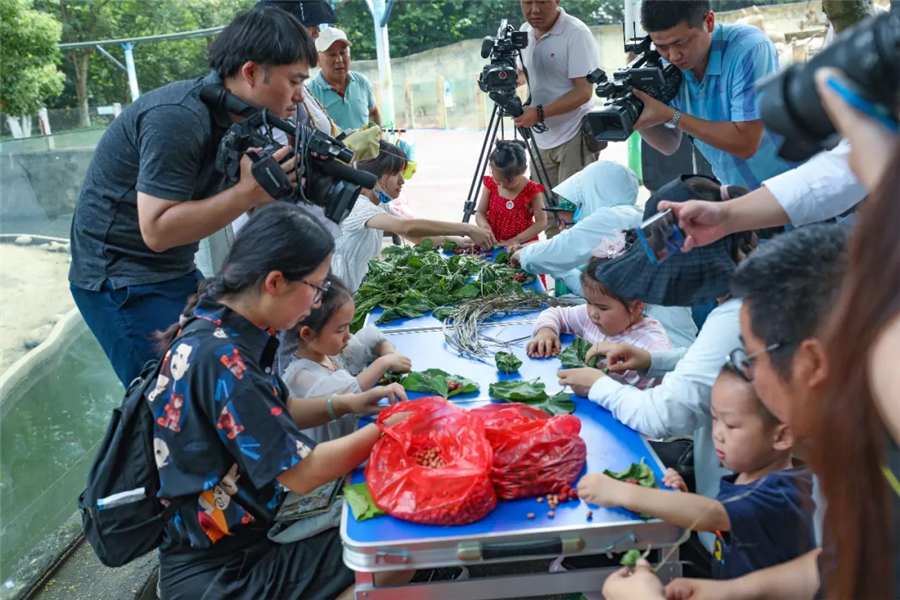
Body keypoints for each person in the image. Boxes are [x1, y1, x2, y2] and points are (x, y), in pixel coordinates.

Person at [151, 202, 413, 599]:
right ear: (274, 282)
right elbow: (302, 472)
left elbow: (273, 413)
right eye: (315, 287)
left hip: (239, 530)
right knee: (395, 552)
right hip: (224, 564)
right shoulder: (226, 361)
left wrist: (344, 405)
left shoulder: (221, 325)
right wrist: (383, 430)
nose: (314, 303)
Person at [68, 7, 317, 388]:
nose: (300, 97)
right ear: (250, 72)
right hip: (121, 278)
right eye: (294, 81)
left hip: (175, 268)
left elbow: (257, 206)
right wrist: (247, 192)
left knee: (224, 375)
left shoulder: (245, 120)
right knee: (172, 397)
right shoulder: (178, 117)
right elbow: (156, 230)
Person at [557, 174, 757, 557]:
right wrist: (653, 361)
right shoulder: (750, 295)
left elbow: (663, 415)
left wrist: (598, 385)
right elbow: (718, 359)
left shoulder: (735, 316)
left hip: (740, 497)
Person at [580, 365, 814, 579]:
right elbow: (726, 523)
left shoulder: (783, 493)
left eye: (731, 425)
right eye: (714, 419)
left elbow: (714, 515)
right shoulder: (748, 476)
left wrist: (620, 492)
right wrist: (683, 501)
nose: (717, 434)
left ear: (782, 436)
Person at [508, 161, 699, 351]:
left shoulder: (614, 218)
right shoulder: (637, 217)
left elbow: (550, 254)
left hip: (659, 346)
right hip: (662, 338)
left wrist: (522, 254)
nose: (580, 208)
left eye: (582, 201)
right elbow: (602, 293)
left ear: (595, 191)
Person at [634, 0, 796, 190]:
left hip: (794, 189)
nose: (673, 55)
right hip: (739, 194)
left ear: (709, 21)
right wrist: (638, 114)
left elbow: (746, 144)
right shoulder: (664, 65)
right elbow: (669, 144)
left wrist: (671, 115)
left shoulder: (748, 48)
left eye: (680, 42)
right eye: (662, 46)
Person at [331, 141, 495, 292]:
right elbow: (405, 227)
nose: (402, 181)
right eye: (396, 173)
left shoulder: (380, 204)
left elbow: (413, 235)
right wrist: (466, 228)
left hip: (359, 288)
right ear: (374, 176)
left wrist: (458, 242)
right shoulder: (358, 205)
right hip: (341, 291)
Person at [280, 274, 412, 444]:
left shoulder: (328, 354)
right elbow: (351, 394)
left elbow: (369, 337)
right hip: (332, 462)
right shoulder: (302, 378)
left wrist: (387, 351)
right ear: (307, 334)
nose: (348, 335)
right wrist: (383, 363)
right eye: (340, 330)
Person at [514, 0, 602, 237]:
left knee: (571, 212)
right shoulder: (524, 33)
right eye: (527, 2)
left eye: (542, 2)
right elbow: (523, 74)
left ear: (557, 1)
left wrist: (540, 112)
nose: (534, 10)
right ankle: (559, 272)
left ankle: (582, 272)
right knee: (548, 214)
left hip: (574, 134)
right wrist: (504, 78)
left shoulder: (576, 33)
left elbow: (584, 91)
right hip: (541, 138)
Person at [528, 252, 673, 390]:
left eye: (602, 308)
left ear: (637, 305)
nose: (592, 313)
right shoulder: (590, 318)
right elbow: (556, 314)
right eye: (589, 302)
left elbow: (656, 395)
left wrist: (600, 385)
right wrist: (546, 331)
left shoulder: (653, 346)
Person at [475, 140, 548, 247]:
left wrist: (515, 240)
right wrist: (485, 228)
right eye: (498, 181)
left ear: (523, 170)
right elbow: (480, 213)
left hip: (520, 245)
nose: (503, 186)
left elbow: (541, 222)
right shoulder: (490, 184)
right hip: (493, 243)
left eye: (509, 181)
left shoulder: (531, 190)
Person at [309, 28, 380, 133]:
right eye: (332, 54)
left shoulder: (361, 82)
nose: (339, 59)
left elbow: (373, 112)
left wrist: (379, 141)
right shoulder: (311, 93)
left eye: (343, 52)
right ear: (318, 60)